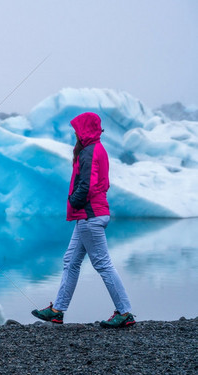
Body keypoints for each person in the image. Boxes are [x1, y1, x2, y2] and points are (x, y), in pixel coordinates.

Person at [31, 112, 135, 328]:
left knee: (103, 264)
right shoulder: (97, 149)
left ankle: (124, 312)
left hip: (90, 215)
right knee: (70, 261)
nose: (76, 134)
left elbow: (87, 184)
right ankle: (57, 310)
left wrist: (74, 200)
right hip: (90, 215)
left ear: (85, 130)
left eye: (78, 130)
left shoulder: (88, 152)